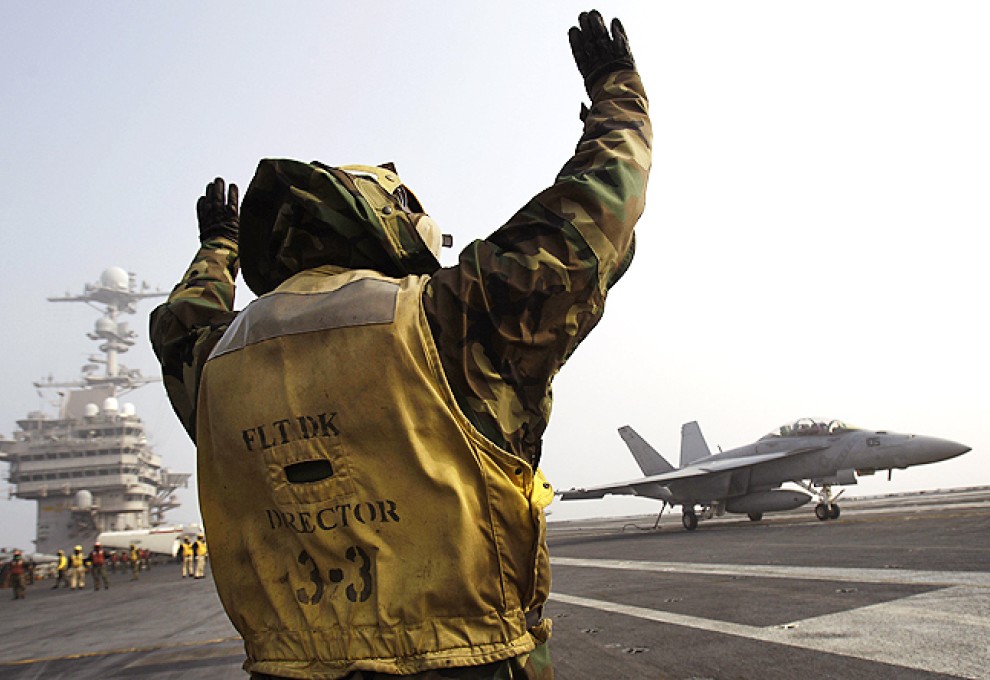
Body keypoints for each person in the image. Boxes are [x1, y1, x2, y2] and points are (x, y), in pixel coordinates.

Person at [150, 9, 651, 679]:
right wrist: (619, 96)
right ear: (391, 223)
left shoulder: (212, 366)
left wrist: (218, 246)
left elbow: (182, 319)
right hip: (467, 661)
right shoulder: (446, 319)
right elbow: (593, 215)